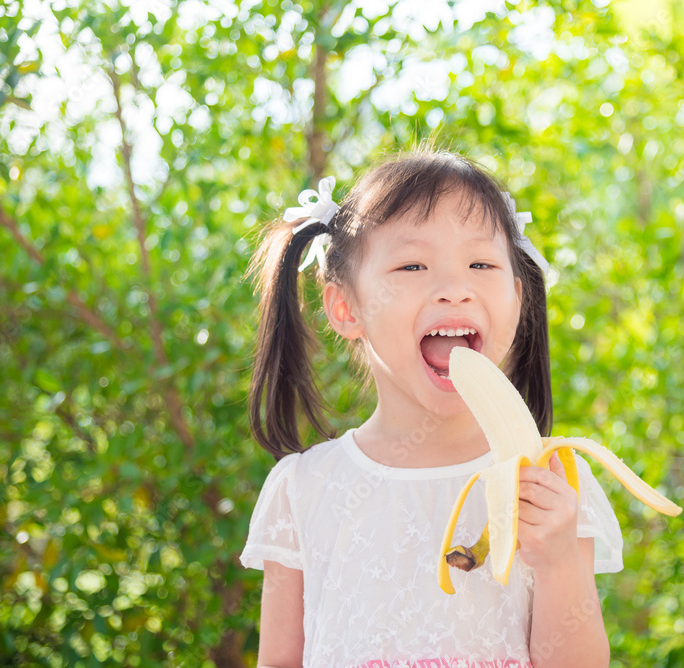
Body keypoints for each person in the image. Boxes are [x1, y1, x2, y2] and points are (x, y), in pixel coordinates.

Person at [239, 149, 624, 668]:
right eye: (412, 264)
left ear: (517, 298)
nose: (455, 290)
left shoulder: (552, 482)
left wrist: (557, 563)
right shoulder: (304, 489)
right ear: (346, 308)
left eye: (481, 264)